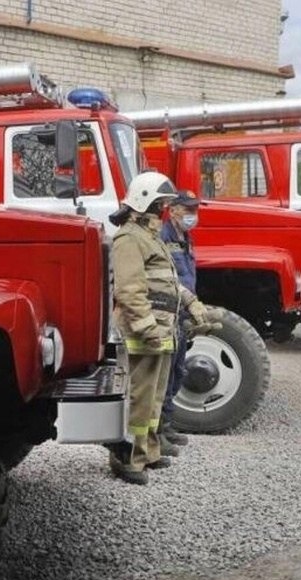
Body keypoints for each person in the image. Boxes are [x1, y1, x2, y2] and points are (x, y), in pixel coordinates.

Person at [107, 172, 219, 485]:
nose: (165, 211)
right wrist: (146, 328)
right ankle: (127, 458)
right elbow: (129, 289)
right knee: (139, 398)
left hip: (162, 329)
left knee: (154, 399)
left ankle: (149, 452)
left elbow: (168, 282)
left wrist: (194, 305)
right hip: (144, 332)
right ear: (146, 202)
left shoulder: (151, 236)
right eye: (161, 205)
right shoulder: (129, 238)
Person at [157, 190, 207, 454]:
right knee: (164, 374)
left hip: (184, 312)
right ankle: (159, 432)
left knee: (178, 372)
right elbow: (166, 278)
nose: (192, 215)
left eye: (194, 210)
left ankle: (167, 426)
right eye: (187, 210)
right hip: (170, 311)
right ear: (172, 209)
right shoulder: (162, 237)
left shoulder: (185, 237)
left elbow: (188, 275)